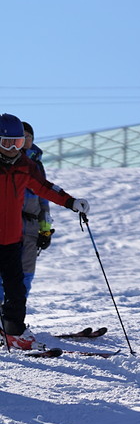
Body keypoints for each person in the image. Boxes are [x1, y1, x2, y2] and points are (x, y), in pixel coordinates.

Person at [0, 113, 90, 350]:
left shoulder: (24, 166)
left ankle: (14, 332)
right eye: (6, 143)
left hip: (11, 240)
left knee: (16, 291)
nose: (12, 148)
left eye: (17, 143)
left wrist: (71, 202)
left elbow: (45, 188)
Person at [0, 122, 54, 306]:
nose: (24, 142)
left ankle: (15, 317)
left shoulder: (35, 165)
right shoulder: (7, 161)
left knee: (26, 273)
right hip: (6, 223)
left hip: (30, 226)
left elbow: (43, 201)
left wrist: (45, 230)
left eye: (28, 137)